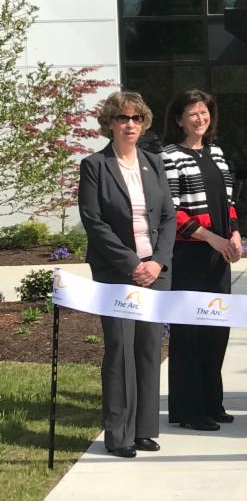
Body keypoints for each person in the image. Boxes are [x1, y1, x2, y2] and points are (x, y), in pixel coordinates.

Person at [78, 91, 175, 458]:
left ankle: (145, 429)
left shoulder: (153, 162)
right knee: (120, 350)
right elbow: (94, 222)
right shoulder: (95, 166)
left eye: (136, 119)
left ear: (144, 122)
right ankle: (118, 434)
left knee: (149, 348)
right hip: (118, 273)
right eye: (122, 119)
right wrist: (132, 263)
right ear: (110, 124)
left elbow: (167, 216)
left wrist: (157, 262)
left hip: (155, 272)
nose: (129, 125)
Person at [161, 90, 242, 432]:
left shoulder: (217, 154)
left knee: (216, 332)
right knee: (189, 333)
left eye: (204, 112)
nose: (199, 118)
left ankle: (212, 402)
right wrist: (212, 238)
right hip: (190, 255)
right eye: (192, 113)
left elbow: (228, 201)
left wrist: (235, 234)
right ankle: (189, 409)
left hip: (218, 257)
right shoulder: (168, 156)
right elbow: (173, 211)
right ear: (179, 119)